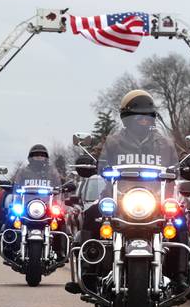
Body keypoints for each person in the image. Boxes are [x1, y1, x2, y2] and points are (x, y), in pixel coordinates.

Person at [65, 89, 182, 294]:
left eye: (147, 116)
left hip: (156, 200)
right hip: (118, 198)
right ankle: (89, 273)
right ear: (126, 118)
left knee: (180, 221)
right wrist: (88, 163)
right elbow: (96, 161)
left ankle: (179, 275)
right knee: (91, 214)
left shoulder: (165, 144)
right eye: (138, 116)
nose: (143, 121)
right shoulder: (113, 142)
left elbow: (179, 165)